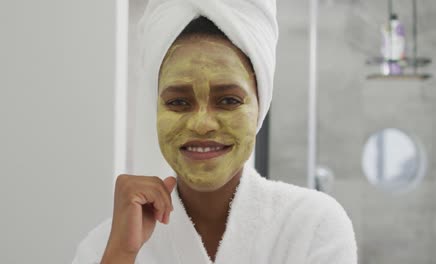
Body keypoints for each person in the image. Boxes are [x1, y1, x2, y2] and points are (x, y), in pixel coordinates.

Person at [72, 1, 357, 264]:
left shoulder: (313, 225)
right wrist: (122, 253)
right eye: (178, 102)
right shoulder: (105, 246)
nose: (202, 124)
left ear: (261, 104)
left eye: (228, 100)